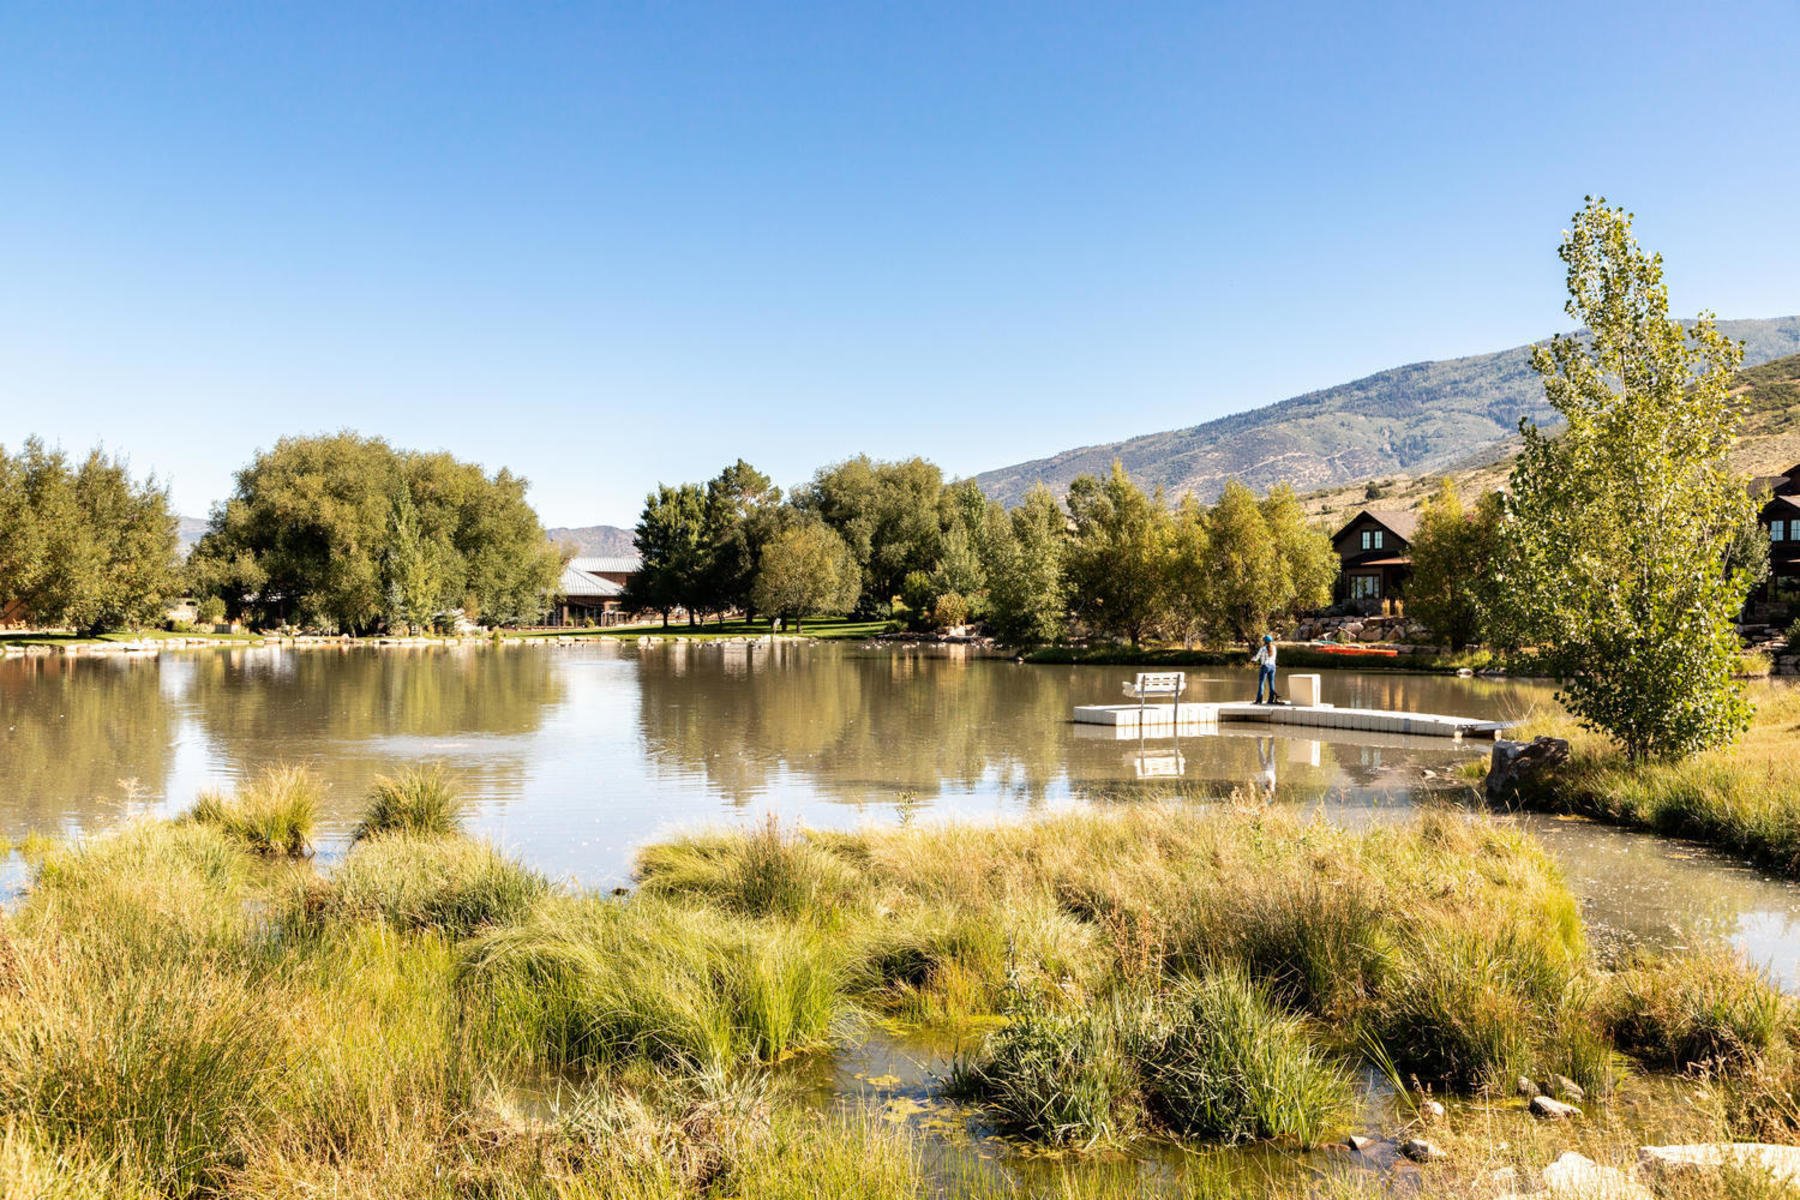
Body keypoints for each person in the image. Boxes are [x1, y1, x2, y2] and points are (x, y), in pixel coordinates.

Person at [1252, 633, 1280, 704]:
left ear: (1264, 641)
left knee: (1261, 683)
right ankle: (1271, 700)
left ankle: (1259, 700)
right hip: (1273, 667)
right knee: (1271, 683)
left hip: (1265, 666)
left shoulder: (1262, 649)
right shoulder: (1274, 648)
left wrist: (1252, 659)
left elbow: (1256, 658)